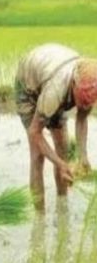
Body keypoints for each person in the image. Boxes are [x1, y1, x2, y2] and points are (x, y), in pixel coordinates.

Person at [15, 43, 97, 209]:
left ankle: (62, 205)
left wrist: (82, 156)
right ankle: (40, 217)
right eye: (82, 99)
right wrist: (60, 164)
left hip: (52, 77)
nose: (84, 104)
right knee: (38, 155)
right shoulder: (56, 91)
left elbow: (81, 119)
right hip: (28, 86)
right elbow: (34, 133)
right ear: (74, 83)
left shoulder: (90, 87)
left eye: (89, 101)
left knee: (63, 148)